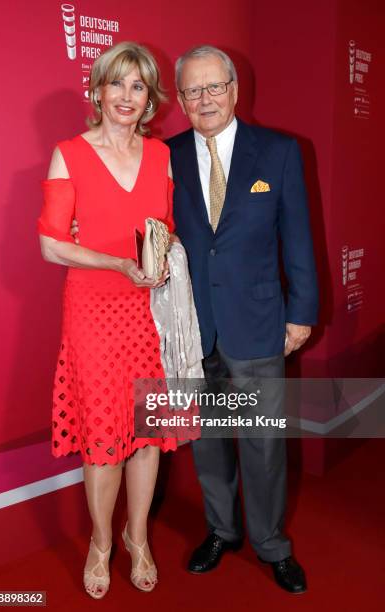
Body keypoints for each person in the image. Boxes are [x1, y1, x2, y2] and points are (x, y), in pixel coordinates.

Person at [166, 45, 319, 594]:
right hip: (193, 327)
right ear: (180, 99)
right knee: (206, 439)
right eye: (192, 90)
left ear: (233, 89)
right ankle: (221, 530)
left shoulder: (278, 152)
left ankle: (272, 543)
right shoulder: (168, 155)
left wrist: (300, 313)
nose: (204, 99)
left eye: (213, 87)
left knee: (262, 443)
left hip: (256, 321)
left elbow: (297, 235)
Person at [38, 41, 179, 599]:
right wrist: (117, 262)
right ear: (96, 91)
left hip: (148, 313)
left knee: (147, 433)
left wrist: (160, 261)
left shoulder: (163, 156)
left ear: (150, 99)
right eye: (116, 84)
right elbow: (52, 245)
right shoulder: (69, 152)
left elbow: (164, 228)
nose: (126, 96)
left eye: (138, 86)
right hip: (94, 311)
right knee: (103, 437)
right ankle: (101, 543)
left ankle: (136, 537)